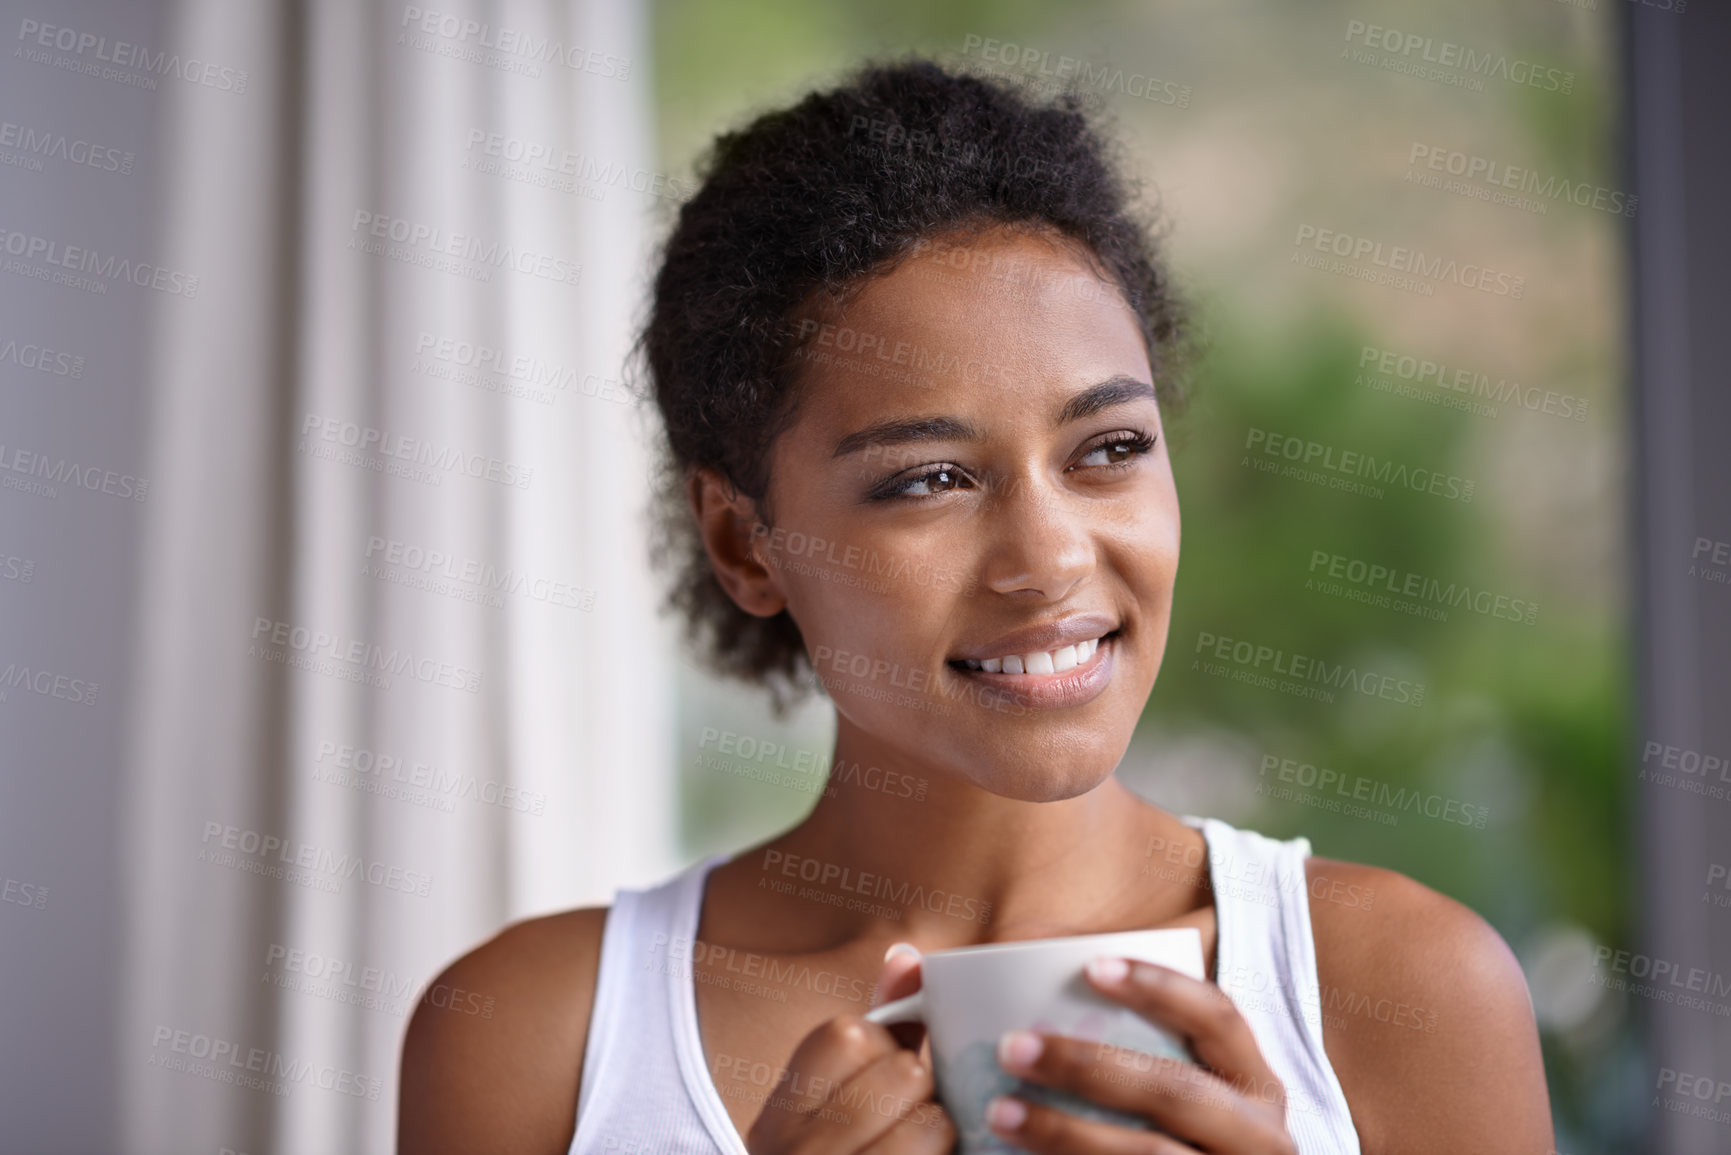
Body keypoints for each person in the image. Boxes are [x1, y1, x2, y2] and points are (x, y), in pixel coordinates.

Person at [399, 59, 1553, 1155]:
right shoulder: (529, 1033)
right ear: (744, 543)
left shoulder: (1403, 990)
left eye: (1108, 448)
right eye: (929, 479)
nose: (1048, 558)